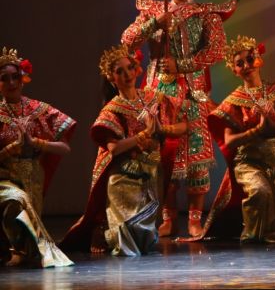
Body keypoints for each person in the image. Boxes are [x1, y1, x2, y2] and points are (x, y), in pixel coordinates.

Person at [120, 0, 237, 237]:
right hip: (158, 93)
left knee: (196, 158)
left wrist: (182, 65)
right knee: (163, 158)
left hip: (192, 91)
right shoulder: (152, 11)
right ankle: (168, 217)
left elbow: (216, 50)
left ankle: (195, 219)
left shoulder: (205, 13)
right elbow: (127, 41)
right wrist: (154, 24)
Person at [61, 46, 186, 256]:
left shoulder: (154, 98)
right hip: (123, 175)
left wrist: (162, 129)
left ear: (137, 70)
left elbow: (184, 125)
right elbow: (114, 148)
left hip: (151, 173)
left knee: (143, 241)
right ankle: (105, 231)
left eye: (130, 68)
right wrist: (143, 135)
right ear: (112, 78)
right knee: (127, 241)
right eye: (120, 71)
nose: (127, 74)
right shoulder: (112, 110)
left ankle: (115, 233)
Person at [192, 36, 275, 243]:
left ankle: (271, 238)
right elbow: (229, 141)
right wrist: (257, 131)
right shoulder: (234, 101)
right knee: (259, 191)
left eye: (249, 59)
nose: (247, 66)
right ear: (235, 71)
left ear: (258, 60)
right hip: (248, 160)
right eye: (240, 64)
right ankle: (250, 236)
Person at [0, 47, 74, 267]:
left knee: (26, 216)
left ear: (23, 79)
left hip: (33, 177)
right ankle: (17, 250)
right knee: (15, 200)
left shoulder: (39, 110)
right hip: (4, 176)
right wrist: (9, 150)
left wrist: (36, 143)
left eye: (15, 77)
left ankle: (24, 251)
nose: (11, 82)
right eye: (4, 78)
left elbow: (64, 148)